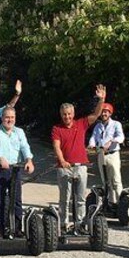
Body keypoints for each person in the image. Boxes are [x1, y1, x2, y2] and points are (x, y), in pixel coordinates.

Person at [51, 84, 106, 232]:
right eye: (64, 114)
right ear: (61, 114)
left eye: (69, 114)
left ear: (73, 114)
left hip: (81, 165)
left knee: (81, 199)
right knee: (64, 199)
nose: (67, 117)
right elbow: (56, 146)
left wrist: (101, 100)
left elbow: (95, 115)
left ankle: (80, 223)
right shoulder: (57, 128)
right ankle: (64, 224)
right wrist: (62, 161)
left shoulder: (81, 124)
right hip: (65, 168)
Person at [0, 107, 34, 237]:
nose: (9, 120)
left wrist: (29, 161)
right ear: (2, 118)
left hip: (15, 168)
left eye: (12, 117)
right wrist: (0, 158)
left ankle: (17, 228)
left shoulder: (19, 132)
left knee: (16, 199)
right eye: (7, 117)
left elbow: (25, 147)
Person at [87, 102, 125, 205]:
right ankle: (110, 202)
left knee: (116, 179)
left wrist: (112, 141)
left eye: (106, 112)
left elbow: (121, 137)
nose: (104, 114)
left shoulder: (116, 124)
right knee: (105, 180)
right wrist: (91, 144)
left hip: (112, 154)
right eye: (102, 112)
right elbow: (93, 138)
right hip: (101, 154)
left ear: (110, 113)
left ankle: (121, 203)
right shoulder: (98, 126)